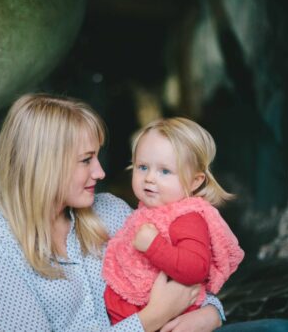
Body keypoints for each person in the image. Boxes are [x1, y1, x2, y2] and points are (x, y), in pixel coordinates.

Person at [0, 94, 225, 331]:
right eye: (86, 160)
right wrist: (151, 319)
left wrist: (211, 314)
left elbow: (185, 271)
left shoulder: (111, 210)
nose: (100, 173)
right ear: (45, 165)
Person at [102, 117, 245, 325]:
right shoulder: (149, 210)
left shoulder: (187, 217)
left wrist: (154, 246)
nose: (150, 178)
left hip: (171, 320)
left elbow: (196, 268)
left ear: (195, 181)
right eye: (142, 167)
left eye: (165, 171)